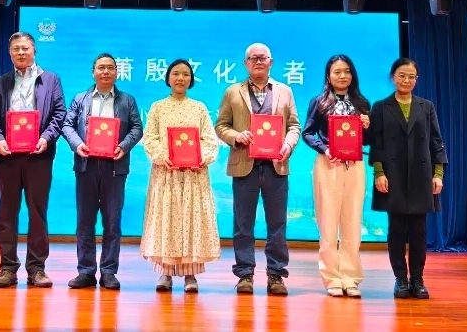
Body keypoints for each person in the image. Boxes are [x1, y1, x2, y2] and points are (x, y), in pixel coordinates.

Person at [215, 42, 300, 296]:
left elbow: (294, 126)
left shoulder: (285, 91)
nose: (259, 61)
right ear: (246, 64)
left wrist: (288, 144)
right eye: (253, 58)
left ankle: (276, 274)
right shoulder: (233, 92)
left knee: (277, 223)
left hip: (276, 166)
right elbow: (221, 126)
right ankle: (245, 274)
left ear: (271, 62)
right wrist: (236, 136)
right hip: (245, 165)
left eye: (263, 58)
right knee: (243, 223)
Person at [0, 32, 66, 289]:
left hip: (39, 156)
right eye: (16, 49)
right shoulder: (0, 83)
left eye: (25, 48)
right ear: (10, 53)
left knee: (37, 212)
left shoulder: (51, 80)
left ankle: (37, 268)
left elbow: (59, 114)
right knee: (6, 212)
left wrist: (46, 138)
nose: (21, 53)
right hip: (8, 156)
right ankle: (7, 268)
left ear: (34, 51)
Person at [61, 53, 143, 290]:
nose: (106, 71)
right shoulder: (80, 99)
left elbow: (137, 128)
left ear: (117, 72)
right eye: (101, 67)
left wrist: (123, 146)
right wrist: (78, 144)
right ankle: (86, 271)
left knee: (112, 221)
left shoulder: (127, 101)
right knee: (84, 221)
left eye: (110, 68)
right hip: (86, 165)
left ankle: (108, 271)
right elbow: (67, 124)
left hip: (115, 167)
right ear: (93, 72)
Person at [139, 59, 220, 293]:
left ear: (191, 79)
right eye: (176, 73)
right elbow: (150, 137)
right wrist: (162, 156)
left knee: (191, 221)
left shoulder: (199, 108)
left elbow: (210, 139)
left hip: (194, 175)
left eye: (185, 74)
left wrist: (202, 158)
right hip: (166, 174)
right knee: (167, 220)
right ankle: (165, 273)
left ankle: (190, 274)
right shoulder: (158, 107)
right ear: (168, 78)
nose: (180, 78)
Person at [369, 57, 447, 300]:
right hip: (392, 176)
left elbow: (436, 141)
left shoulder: (426, 106)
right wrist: (379, 173)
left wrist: (438, 174)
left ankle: (418, 279)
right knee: (396, 231)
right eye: (401, 75)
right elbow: (377, 143)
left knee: (418, 232)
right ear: (393, 77)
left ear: (417, 79)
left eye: (411, 76)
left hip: (421, 175)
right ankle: (400, 279)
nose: (406, 80)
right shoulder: (381, 107)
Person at [301, 54, 372, 298]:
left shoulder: (362, 103)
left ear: (353, 75)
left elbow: (369, 140)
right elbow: (307, 133)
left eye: (347, 71)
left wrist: (367, 127)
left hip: (355, 165)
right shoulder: (319, 102)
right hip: (328, 164)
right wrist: (325, 149)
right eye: (337, 72)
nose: (342, 76)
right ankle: (332, 277)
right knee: (328, 223)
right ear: (329, 76)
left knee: (352, 221)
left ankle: (350, 278)